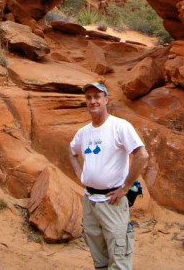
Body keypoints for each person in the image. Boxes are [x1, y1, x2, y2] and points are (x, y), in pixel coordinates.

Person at [69, 82, 149, 270]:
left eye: (97, 97)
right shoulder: (83, 133)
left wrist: (125, 187)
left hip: (112, 201)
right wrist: (80, 174)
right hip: (90, 202)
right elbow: (71, 150)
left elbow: (142, 155)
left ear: (106, 99)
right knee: (100, 259)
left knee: (119, 259)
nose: (92, 101)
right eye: (88, 98)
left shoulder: (119, 126)